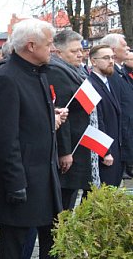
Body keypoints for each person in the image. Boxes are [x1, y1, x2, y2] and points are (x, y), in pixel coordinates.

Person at [0, 18, 68, 259]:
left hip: (44, 174)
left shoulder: (38, 73)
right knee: (15, 239)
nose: (53, 49)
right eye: (49, 44)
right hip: (20, 176)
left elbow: (32, 122)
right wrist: (14, 181)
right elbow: (7, 137)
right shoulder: (7, 77)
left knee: (51, 234)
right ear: (31, 46)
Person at [49, 29, 95, 210]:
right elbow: (62, 113)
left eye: (81, 50)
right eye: (73, 51)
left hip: (79, 142)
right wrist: (65, 151)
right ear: (58, 52)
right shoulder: (58, 72)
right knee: (64, 204)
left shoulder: (76, 72)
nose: (79, 54)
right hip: (70, 146)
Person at [88, 44, 123, 187]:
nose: (111, 61)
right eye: (106, 57)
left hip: (116, 148)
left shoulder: (110, 82)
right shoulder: (91, 84)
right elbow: (97, 120)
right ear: (93, 61)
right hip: (104, 153)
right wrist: (104, 152)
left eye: (112, 57)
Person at [100, 34, 133, 177]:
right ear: (113, 49)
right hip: (119, 140)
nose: (128, 48)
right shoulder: (112, 74)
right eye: (124, 45)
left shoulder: (121, 72)